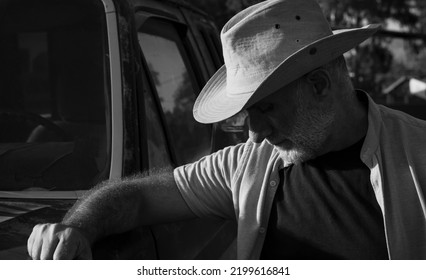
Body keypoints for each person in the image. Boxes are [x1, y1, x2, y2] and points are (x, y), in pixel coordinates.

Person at [27, 0, 426, 260]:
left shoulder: (417, 155)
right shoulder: (248, 166)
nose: (253, 134)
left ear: (319, 85)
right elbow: (135, 199)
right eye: (246, 113)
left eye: (266, 107)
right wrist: (76, 227)